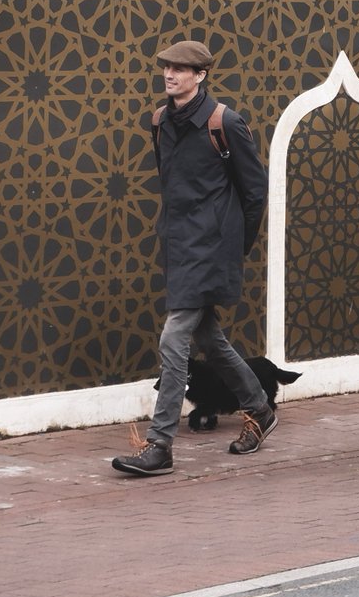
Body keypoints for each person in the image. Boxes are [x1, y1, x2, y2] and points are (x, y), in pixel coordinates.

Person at [112, 39, 276, 477]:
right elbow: (172, 185)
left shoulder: (226, 122)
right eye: (166, 67)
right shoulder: (160, 120)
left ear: (200, 75)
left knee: (173, 339)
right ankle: (259, 408)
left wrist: (233, 248)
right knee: (210, 342)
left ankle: (159, 443)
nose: (170, 75)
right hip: (179, 246)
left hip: (212, 248)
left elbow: (255, 192)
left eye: (180, 69)